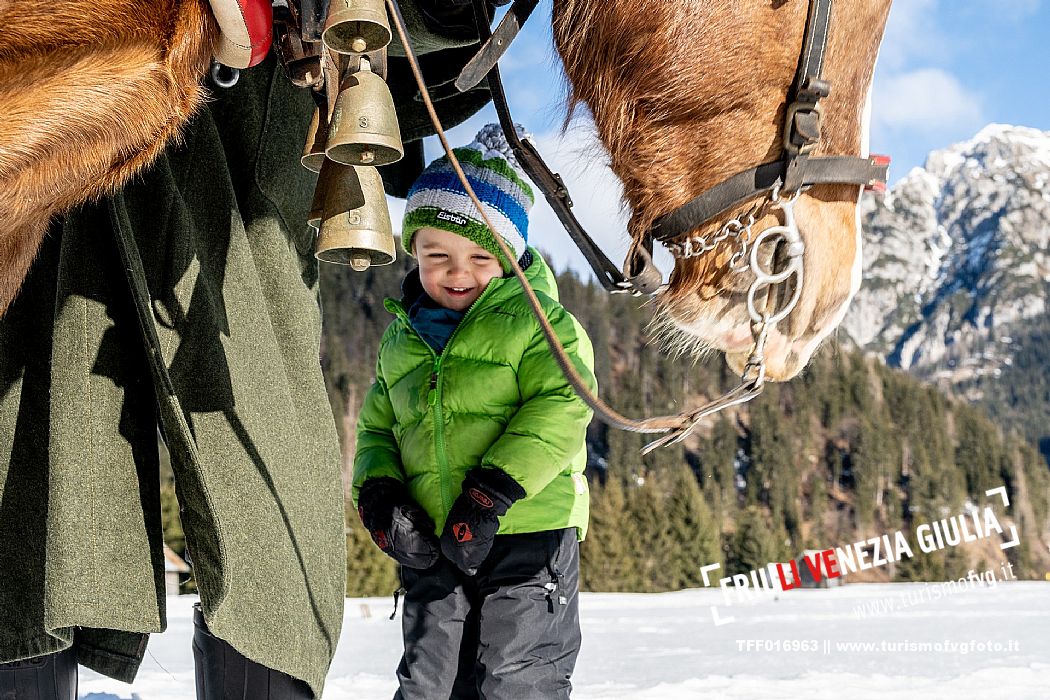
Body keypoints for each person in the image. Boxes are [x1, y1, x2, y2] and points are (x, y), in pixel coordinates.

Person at [352, 124, 597, 700]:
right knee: (429, 683)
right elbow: (375, 432)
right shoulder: (402, 341)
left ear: (511, 258)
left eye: (480, 256)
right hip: (437, 541)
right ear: (413, 254)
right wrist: (381, 498)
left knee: (518, 679)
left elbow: (563, 405)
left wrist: (490, 495)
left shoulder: (543, 326)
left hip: (526, 535)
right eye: (437, 256)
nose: (457, 273)